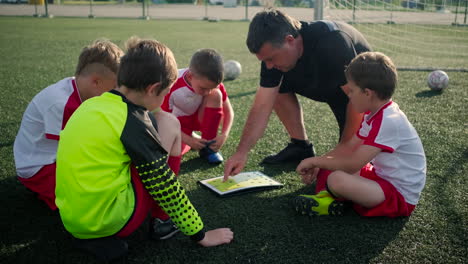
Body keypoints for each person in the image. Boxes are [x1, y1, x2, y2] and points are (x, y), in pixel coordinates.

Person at [55, 37, 234, 262]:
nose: (164, 98)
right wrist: (201, 234)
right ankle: (162, 222)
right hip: (110, 221)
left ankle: (94, 235)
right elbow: (164, 186)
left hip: (71, 219)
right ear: (153, 89)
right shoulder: (132, 121)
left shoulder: (90, 105)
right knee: (170, 124)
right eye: (165, 92)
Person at [224, 8, 372, 179]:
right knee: (274, 88)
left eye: (271, 58)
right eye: (265, 60)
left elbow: (359, 105)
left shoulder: (332, 43)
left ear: (290, 40)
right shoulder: (274, 57)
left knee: (345, 170)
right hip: (320, 82)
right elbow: (262, 105)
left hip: (355, 95)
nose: (268, 65)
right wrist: (241, 152)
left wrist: (338, 152)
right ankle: (301, 146)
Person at [294, 52, 426, 217]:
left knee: (336, 179)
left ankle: (328, 200)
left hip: (398, 196)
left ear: (367, 93)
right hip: (381, 178)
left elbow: (352, 164)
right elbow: (350, 147)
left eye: (352, 90)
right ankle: (330, 199)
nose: (348, 95)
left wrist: (314, 160)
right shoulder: (375, 113)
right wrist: (320, 165)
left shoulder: (388, 121)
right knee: (329, 170)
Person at [13, 39, 124, 210]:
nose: (118, 92)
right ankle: (49, 193)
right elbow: (74, 150)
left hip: (53, 157)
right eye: (115, 87)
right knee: (89, 198)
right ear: (96, 82)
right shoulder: (63, 104)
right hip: (40, 167)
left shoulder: (80, 89)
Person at [161, 48, 234, 165]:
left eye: (211, 87)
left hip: (198, 118)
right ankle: (190, 139)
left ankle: (208, 147)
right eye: (203, 88)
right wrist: (188, 140)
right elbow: (164, 121)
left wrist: (224, 134)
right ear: (190, 76)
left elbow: (229, 112)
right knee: (168, 151)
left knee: (216, 94)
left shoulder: (212, 83)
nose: (207, 92)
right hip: (178, 124)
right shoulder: (173, 84)